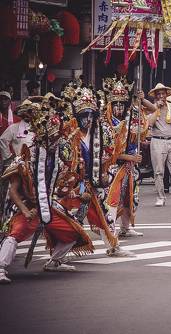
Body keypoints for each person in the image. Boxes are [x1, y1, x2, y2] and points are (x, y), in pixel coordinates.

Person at [0, 96, 95, 284]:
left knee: (74, 233)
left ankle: (55, 260)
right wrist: (26, 211)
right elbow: (13, 191)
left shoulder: (57, 162)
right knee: (14, 234)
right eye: (51, 138)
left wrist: (77, 194)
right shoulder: (24, 160)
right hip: (28, 207)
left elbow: (59, 189)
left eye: (56, 138)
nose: (54, 142)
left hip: (48, 208)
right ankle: (1, 267)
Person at [60, 79, 133, 257]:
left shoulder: (99, 132)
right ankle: (57, 257)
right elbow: (66, 165)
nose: (89, 120)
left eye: (91, 115)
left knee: (103, 216)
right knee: (70, 222)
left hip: (93, 184)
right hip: (74, 186)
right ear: (77, 116)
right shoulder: (70, 136)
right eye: (85, 116)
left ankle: (113, 246)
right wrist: (74, 187)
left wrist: (103, 171)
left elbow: (107, 155)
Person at [102, 77, 148, 237]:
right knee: (113, 197)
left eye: (122, 104)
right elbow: (110, 153)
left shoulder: (130, 120)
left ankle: (126, 227)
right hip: (114, 167)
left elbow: (153, 111)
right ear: (110, 106)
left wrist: (142, 99)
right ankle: (110, 228)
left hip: (129, 167)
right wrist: (131, 157)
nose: (119, 108)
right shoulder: (106, 124)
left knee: (131, 197)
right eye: (116, 105)